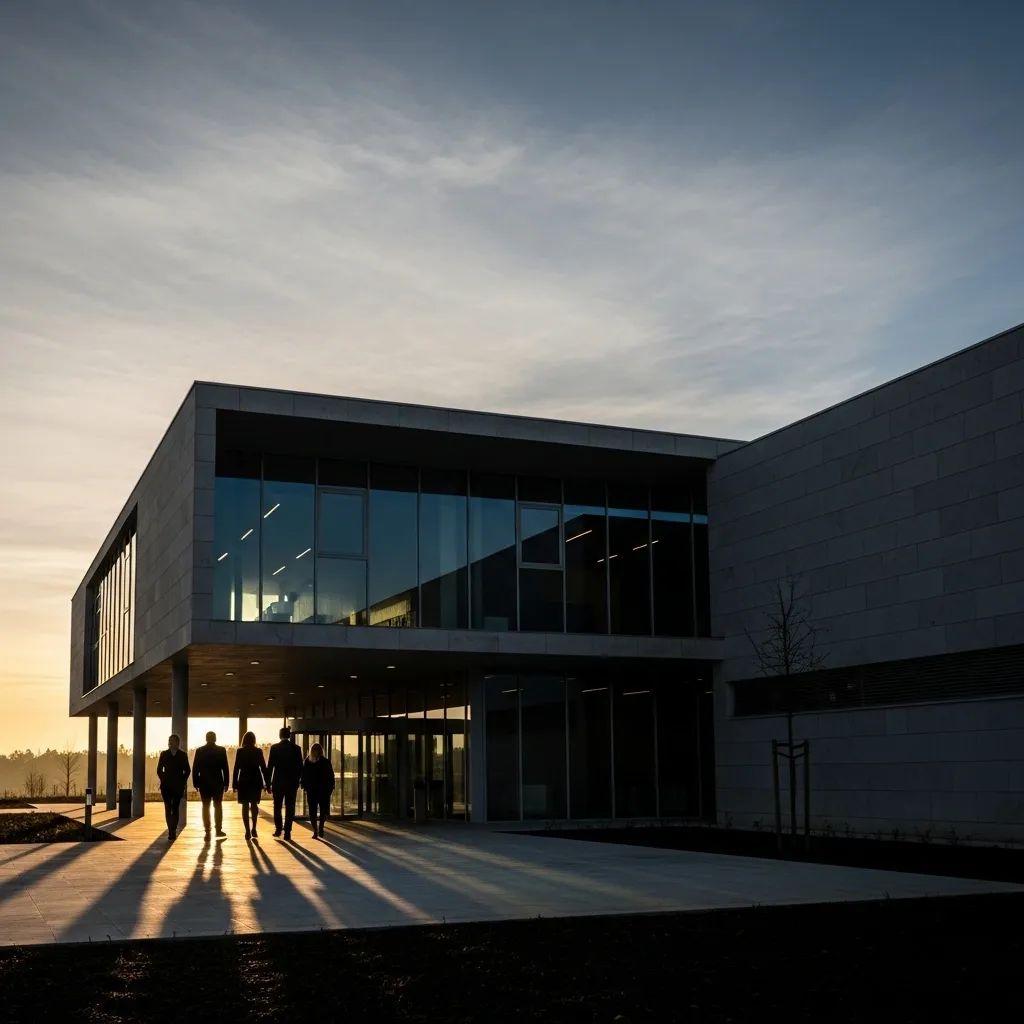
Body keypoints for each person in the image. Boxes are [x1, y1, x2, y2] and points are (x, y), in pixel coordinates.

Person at [266, 726, 303, 840]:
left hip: (278, 782)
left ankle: (278, 829)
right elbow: (300, 767)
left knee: (277, 806)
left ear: (280, 735)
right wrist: (298, 780)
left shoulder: (275, 748)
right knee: (290, 807)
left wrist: (268, 783)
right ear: (289, 735)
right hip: (292, 783)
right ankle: (287, 831)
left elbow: (270, 767)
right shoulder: (296, 749)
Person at [192, 730, 230, 840]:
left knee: (205, 807)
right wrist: (226, 783)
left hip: (204, 783)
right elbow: (225, 768)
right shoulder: (221, 750)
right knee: (218, 806)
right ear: (215, 738)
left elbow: (195, 768)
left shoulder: (200, 751)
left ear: (206, 738)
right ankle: (218, 830)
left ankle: (207, 831)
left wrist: (196, 783)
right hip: (218, 783)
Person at [232, 731, 269, 841]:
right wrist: (267, 783)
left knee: (244, 806)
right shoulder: (258, 751)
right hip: (255, 781)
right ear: (254, 740)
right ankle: (254, 828)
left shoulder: (240, 751)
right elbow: (263, 768)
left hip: (243, 781)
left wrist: (234, 784)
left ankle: (247, 830)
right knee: (254, 805)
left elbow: (236, 768)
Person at [155, 734, 191, 842]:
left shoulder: (182, 755)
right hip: (166, 786)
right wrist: (163, 779)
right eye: (169, 740)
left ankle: (173, 830)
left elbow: (187, 770)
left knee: (175, 808)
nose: (171, 742)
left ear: (178, 742)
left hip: (178, 786)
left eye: (173, 741)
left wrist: (182, 781)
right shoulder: (164, 754)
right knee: (167, 807)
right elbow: (159, 770)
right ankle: (170, 829)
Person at [300, 742, 335, 840]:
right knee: (323, 810)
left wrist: (304, 787)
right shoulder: (326, 761)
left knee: (312, 812)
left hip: (312, 790)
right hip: (323, 790)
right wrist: (331, 788)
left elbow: (303, 775)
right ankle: (321, 827)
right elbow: (331, 776)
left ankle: (315, 830)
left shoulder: (307, 761)